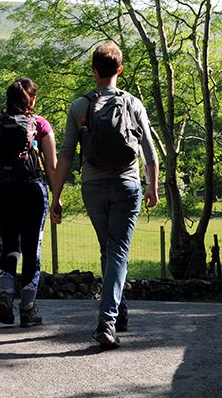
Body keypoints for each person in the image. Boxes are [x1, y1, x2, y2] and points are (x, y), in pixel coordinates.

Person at [51, 42, 159, 348]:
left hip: (93, 187)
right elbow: (150, 153)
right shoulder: (134, 104)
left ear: (94, 70)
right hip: (127, 185)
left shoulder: (79, 106)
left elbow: (67, 155)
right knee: (117, 252)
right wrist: (152, 186)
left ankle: (119, 312)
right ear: (119, 70)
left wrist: (56, 196)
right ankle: (107, 321)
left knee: (109, 251)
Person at [0, 78, 57, 328]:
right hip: (31, 191)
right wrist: (56, 198)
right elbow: (51, 165)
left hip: (2, 193)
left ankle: (6, 293)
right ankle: (27, 308)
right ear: (32, 99)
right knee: (31, 250)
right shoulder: (40, 125)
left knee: (10, 246)